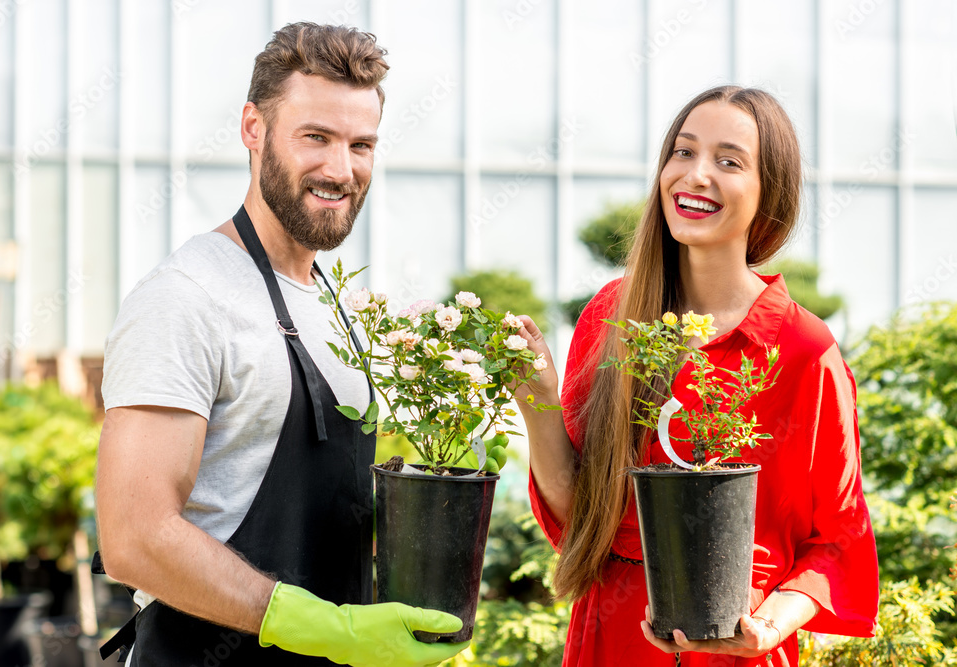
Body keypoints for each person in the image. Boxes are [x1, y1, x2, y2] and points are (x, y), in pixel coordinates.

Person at [95, 22, 469, 666]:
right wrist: (320, 627)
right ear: (253, 129)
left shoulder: (337, 301)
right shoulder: (187, 297)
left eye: (361, 144)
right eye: (315, 138)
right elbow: (135, 536)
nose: (340, 168)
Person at [513, 86, 879, 666]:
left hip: (736, 639)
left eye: (728, 161)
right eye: (683, 153)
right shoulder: (613, 315)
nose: (695, 174)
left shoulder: (804, 349)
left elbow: (838, 537)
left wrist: (770, 626)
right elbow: (580, 514)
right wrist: (536, 399)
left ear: (769, 193)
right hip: (614, 633)